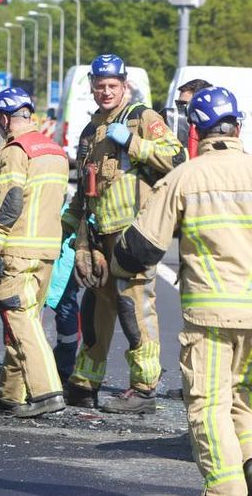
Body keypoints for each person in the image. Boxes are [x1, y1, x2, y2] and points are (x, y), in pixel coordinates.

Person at [114, 86, 252, 495]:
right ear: (238, 126)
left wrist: (115, 261)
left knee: (209, 406)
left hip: (212, 318)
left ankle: (227, 490)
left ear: (195, 130)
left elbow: (141, 247)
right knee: (244, 399)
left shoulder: (186, 177)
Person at [62, 54, 186, 413]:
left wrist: (135, 144)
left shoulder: (142, 118)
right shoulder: (90, 130)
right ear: (92, 87)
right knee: (95, 309)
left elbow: (177, 159)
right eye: (99, 86)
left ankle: (144, 387)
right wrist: (71, 229)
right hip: (100, 235)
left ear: (124, 85)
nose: (105, 91)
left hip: (133, 235)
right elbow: (87, 188)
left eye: (112, 85)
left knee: (134, 309)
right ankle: (84, 382)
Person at [0, 87, 70, 417]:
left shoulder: (16, 152)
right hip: (47, 250)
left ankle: (46, 392)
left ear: (4, 119)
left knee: (21, 322)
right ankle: (11, 393)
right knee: (24, 320)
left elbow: (10, 201)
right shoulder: (55, 151)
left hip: (18, 249)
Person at [173, 78, 213, 158]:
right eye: (178, 104)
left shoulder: (214, 137)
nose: (179, 110)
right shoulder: (174, 131)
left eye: (184, 105)